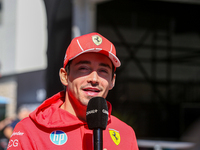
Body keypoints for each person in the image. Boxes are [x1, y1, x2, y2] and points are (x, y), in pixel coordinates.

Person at [7, 32, 139, 150]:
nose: (94, 79)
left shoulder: (126, 133)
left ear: (112, 81)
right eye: (84, 68)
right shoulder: (31, 130)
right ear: (65, 76)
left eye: (103, 71)